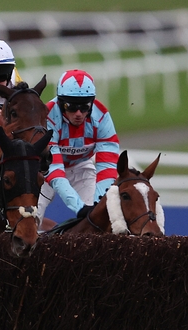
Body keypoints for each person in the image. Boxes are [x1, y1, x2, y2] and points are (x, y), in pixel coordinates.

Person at [37, 69, 121, 230]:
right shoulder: (47, 115)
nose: (78, 114)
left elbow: (108, 166)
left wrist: (97, 204)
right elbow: (55, 172)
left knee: (98, 219)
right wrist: (79, 207)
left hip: (80, 167)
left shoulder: (102, 116)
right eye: (71, 107)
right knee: (29, 222)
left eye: (84, 107)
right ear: (61, 103)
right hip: (46, 171)